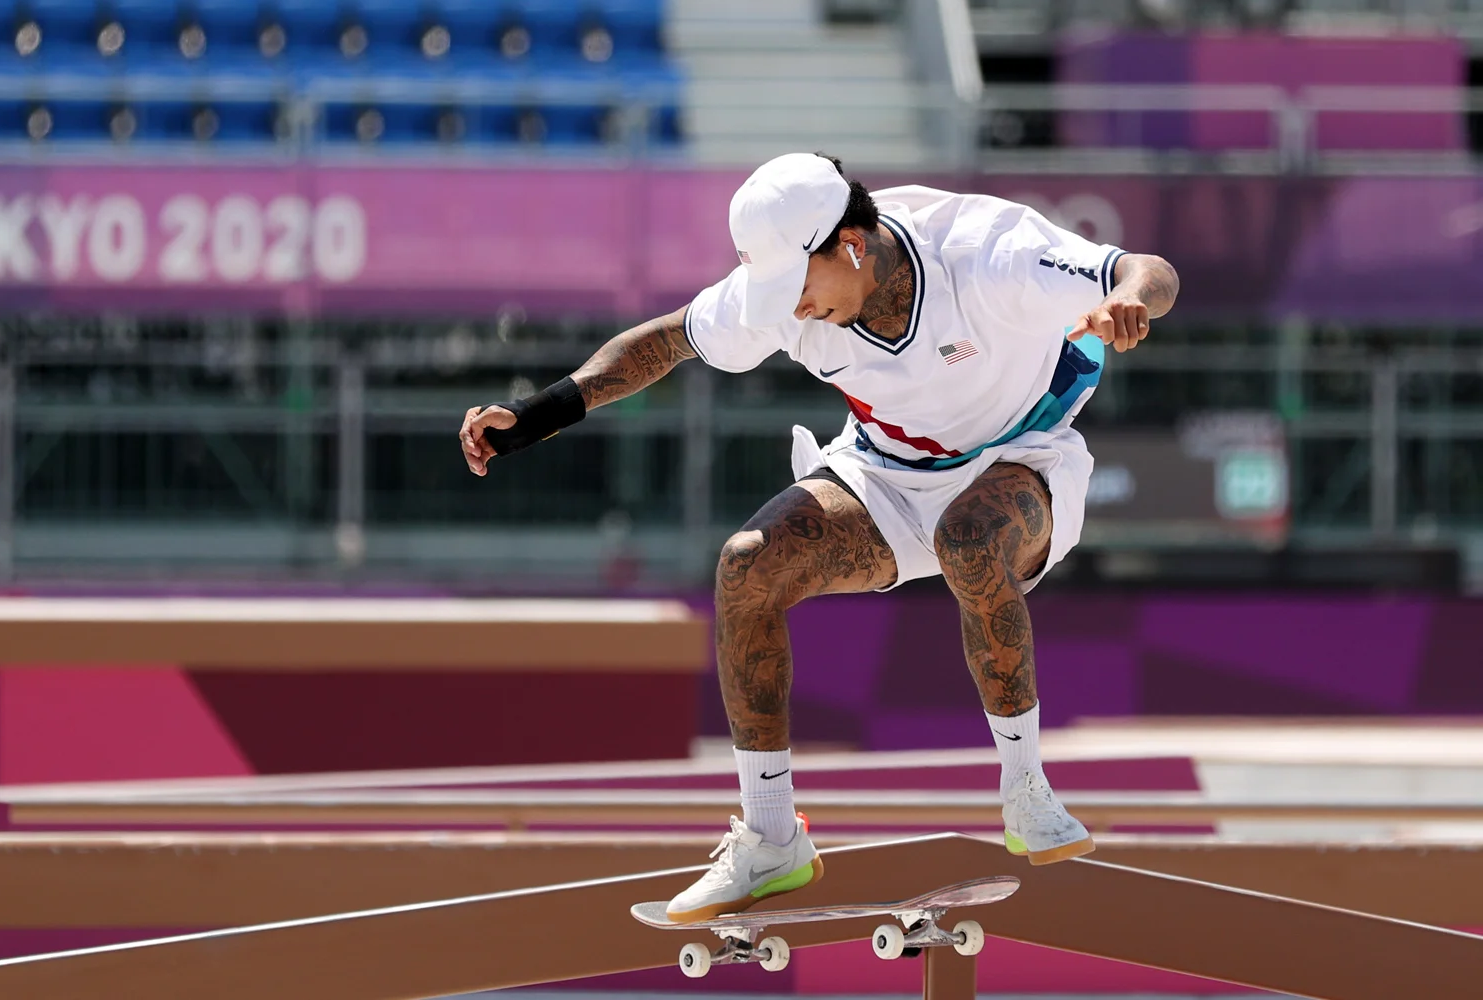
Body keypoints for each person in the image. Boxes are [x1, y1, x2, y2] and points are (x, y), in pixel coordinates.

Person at [457, 153, 1180, 924]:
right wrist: (536, 415)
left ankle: (1027, 792)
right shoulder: (781, 293)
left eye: (800, 290)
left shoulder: (982, 248)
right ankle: (772, 841)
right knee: (747, 568)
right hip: (885, 471)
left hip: (1022, 456)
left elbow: (1148, 270)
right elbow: (662, 343)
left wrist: (1129, 302)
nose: (793, 313)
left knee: (969, 542)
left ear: (852, 247)